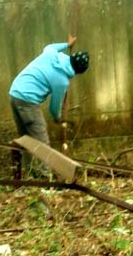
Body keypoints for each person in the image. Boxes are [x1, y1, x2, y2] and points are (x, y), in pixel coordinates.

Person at [9, 35, 90, 177]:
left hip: (14, 93)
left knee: (26, 139)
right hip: (28, 101)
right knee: (42, 143)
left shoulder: (52, 54)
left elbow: (50, 46)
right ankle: (46, 179)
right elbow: (53, 108)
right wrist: (58, 118)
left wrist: (67, 44)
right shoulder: (62, 81)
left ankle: (28, 174)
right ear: (78, 72)